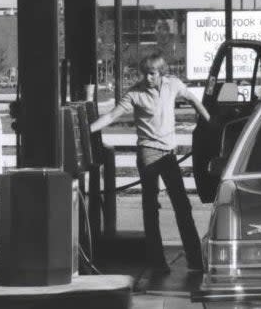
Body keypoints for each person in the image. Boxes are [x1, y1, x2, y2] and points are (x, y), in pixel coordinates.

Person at [90, 52, 211, 274]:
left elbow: (193, 98)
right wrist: (87, 128)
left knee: (182, 205)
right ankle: (157, 261)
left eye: (152, 74)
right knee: (150, 206)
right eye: (144, 74)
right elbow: (112, 115)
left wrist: (208, 121)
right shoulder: (135, 93)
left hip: (169, 154)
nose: (148, 78)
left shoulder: (172, 85)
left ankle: (195, 259)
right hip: (148, 151)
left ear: (161, 72)